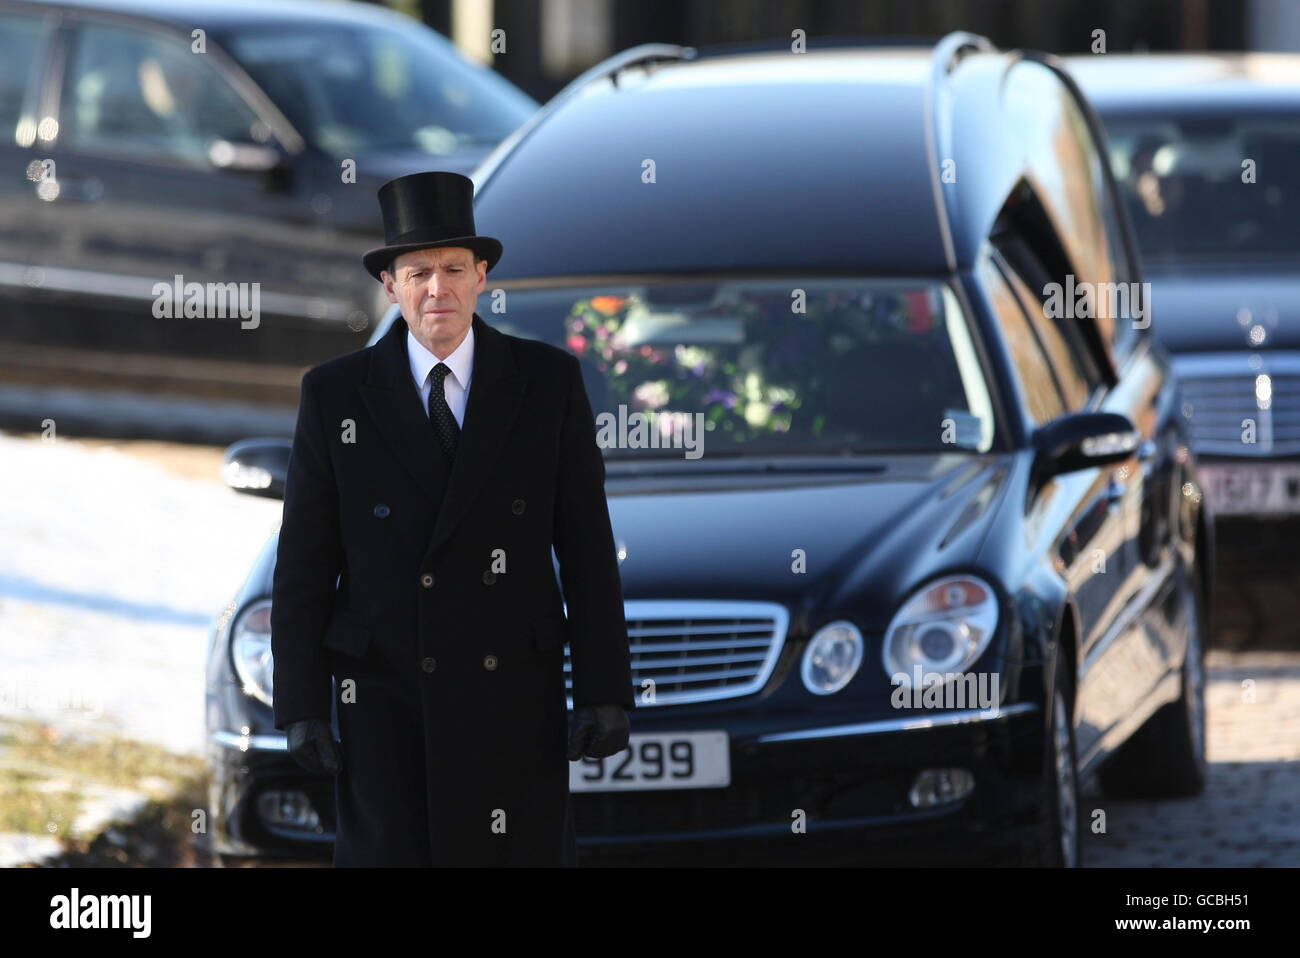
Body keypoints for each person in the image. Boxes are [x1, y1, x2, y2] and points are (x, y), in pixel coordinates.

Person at [270, 170, 633, 866]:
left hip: (512, 700)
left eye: (453, 270)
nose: (437, 289)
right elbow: (306, 563)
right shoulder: (335, 396)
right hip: (383, 703)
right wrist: (302, 705)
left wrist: (604, 689)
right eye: (418, 273)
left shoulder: (547, 383)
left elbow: (586, 545)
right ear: (391, 287)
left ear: (482, 276)